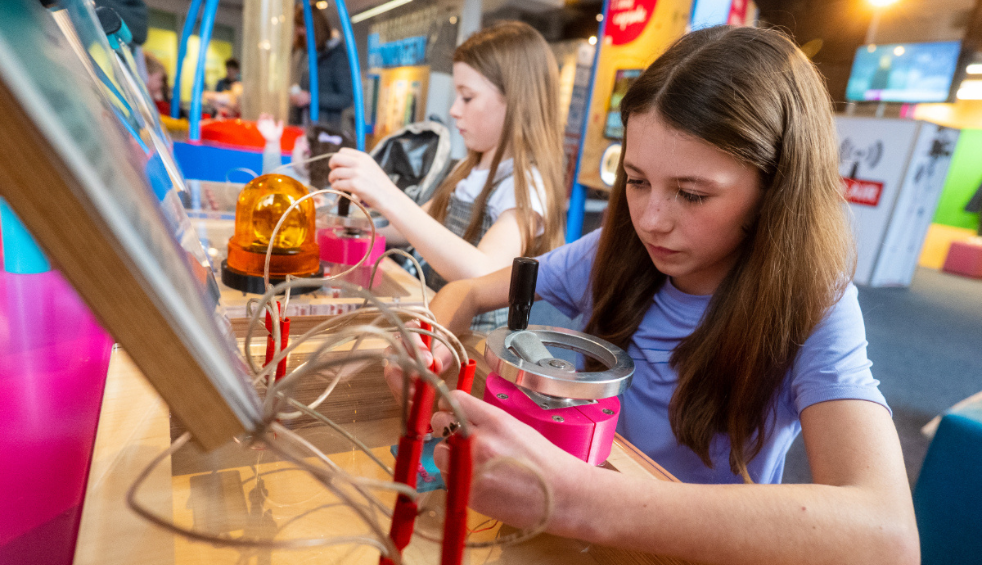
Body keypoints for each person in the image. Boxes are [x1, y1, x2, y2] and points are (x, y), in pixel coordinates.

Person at [397, 26, 920, 564]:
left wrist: (578, 499)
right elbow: (466, 290)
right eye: (636, 180)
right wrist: (427, 341)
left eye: (692, 194)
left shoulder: (814, 306)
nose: (650, 221)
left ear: (775, 190)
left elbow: (888, 538)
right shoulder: (613, 248)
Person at [327, 21, 566, 333]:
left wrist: (387, 193)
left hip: (471, 345)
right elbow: (415, 227)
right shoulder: (468, 169)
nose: (454, 110)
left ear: (517, 102)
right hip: (437, 320)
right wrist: (364, 213)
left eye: (467, 97)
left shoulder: (526, 185)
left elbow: (484, 273)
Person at [289, 4, 353, 132]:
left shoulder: (336, 56)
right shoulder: (305, 55)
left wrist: (311, 98)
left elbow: (346, 98)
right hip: (304, 128)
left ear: (315, 28)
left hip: (326, 132)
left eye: (304, 28)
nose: (301, 33)